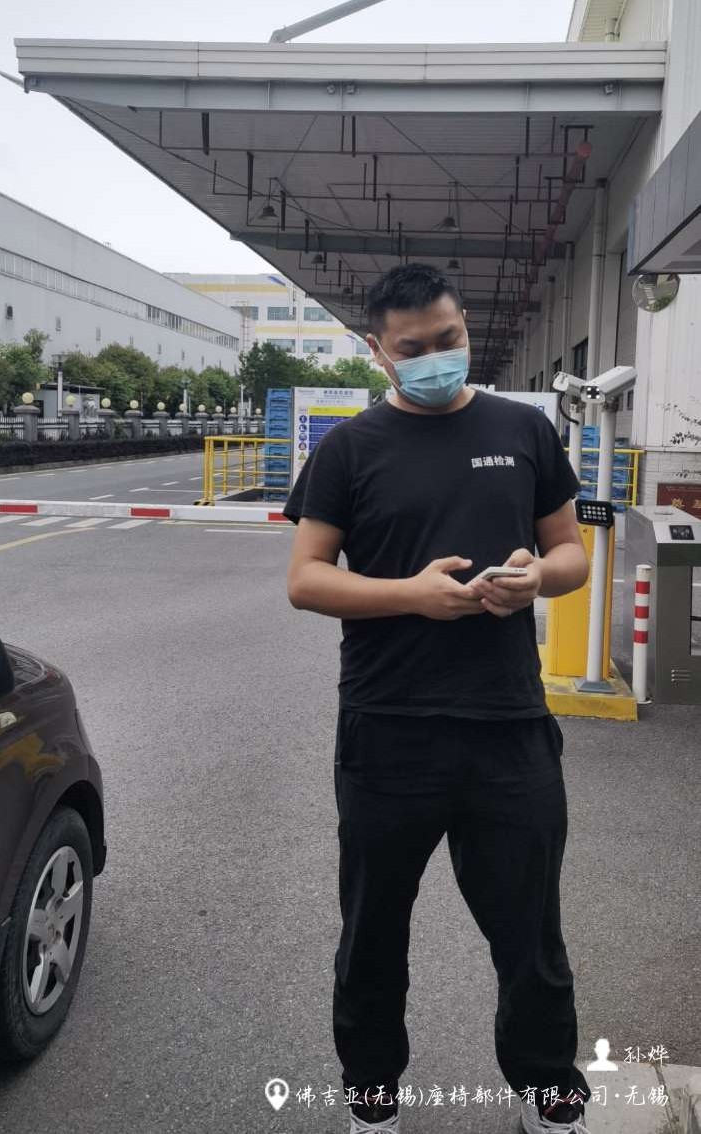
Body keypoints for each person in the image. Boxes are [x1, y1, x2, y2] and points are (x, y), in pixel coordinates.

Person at [283, 263, 593, 1134]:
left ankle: (548, 1092)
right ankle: (373, 1095)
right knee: (373, 931)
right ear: (378, 352)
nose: (435, 357)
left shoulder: (521, 431)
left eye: (448, 339)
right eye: (412, 348)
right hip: (388, 730)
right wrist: (411, 595)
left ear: (466, 325)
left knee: (530, 932)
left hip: (508, 724)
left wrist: (536, 579)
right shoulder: (349, 450)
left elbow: (571, 553)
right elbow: (306, 579)